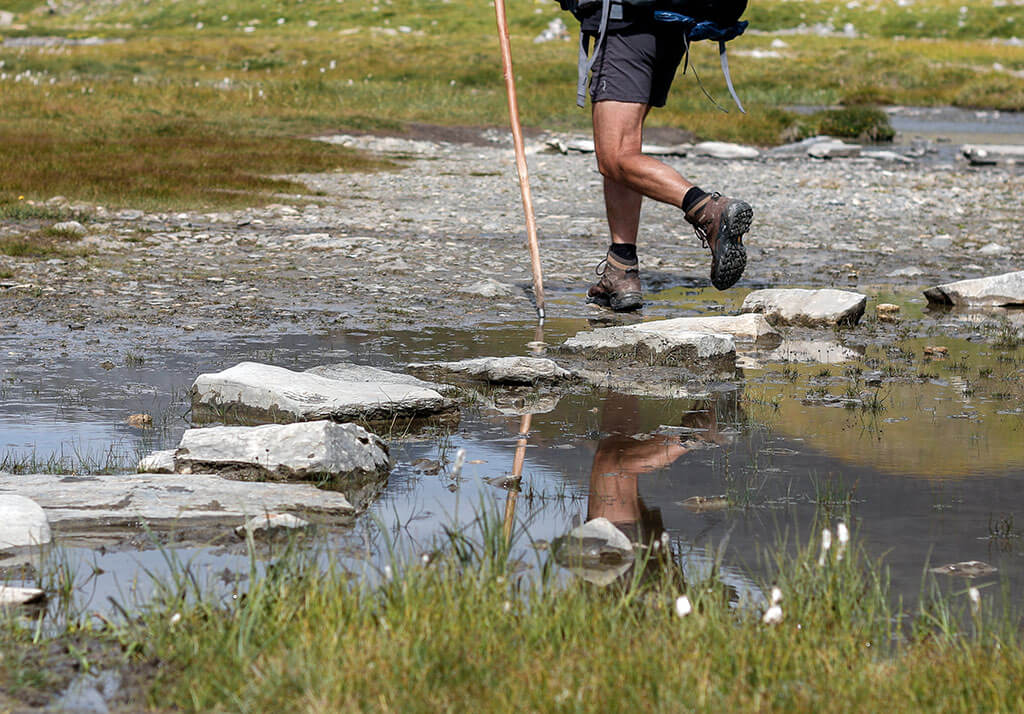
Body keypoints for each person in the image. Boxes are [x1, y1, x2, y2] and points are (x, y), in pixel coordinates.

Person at [572, 1, 753, 312]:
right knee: (625, 151)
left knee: (613, 156)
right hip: (667, 27)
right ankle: (621, 266)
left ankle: (708, 210)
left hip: (625, 26)